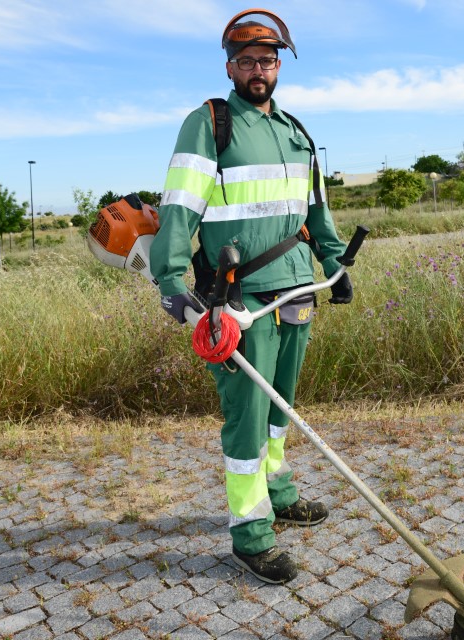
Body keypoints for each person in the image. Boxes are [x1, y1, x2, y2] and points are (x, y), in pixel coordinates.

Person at [149, 8, 352, 584]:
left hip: (296, 288)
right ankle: (251, 532)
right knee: (247, 416)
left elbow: (315, 210)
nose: (256, 69)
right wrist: (170, 281)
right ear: (230, 66)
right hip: (239, 298)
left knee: (280, 408)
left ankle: (279, 491)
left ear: (280, 64)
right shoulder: (210, 122)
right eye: (245, 60)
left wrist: (333, 262)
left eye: (266, 59)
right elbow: (180, 205)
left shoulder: (296, 132)